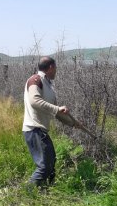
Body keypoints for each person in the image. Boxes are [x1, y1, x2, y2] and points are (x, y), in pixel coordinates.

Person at [22, 56, 79, 187]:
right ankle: (28, 191)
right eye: (56, 68)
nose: (56, 71)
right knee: (45, 167)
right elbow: (34, 101)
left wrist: (72, 123)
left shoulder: (48, 86)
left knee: (51, 161)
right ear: (51, 67)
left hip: (41, 130)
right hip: (33, 129)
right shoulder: (35, 80)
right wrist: (57, 108)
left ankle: (48, 189)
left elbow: (56, 113)